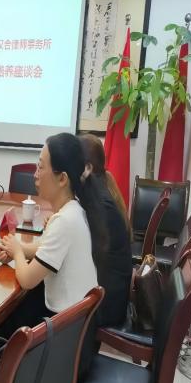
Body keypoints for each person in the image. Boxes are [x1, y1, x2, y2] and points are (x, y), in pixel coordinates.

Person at [0, 132, 107, 325]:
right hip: (75, 322)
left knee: (3, 322)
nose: (35, 175)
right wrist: (15, 250)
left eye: (40, 167)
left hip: (65, 329)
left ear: (62, 179)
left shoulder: (65, 221)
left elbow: (27, 279)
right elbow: (45, 249)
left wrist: (18, 252)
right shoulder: (74, 209)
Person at [79, 134, 132, 326]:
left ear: (87, 168)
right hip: (111, 295)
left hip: (105, 307)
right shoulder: (101, 190)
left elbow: (79, 250)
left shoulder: (100, 204)